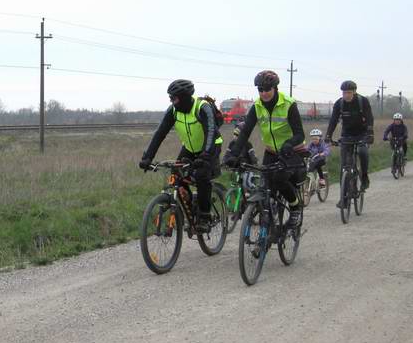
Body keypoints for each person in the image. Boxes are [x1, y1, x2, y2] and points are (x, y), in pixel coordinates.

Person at [223, 70, 306, 227]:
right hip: (271, 151)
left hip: (292, 150)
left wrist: (289, 144)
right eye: (260, 89)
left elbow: (300, 134)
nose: (264, 93)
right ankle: (268, 224)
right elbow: (245, 131)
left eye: (267, 89)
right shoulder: (257, 106)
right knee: (265, 186)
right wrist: (233, 155)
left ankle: (295, 208)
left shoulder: (288, 104)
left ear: (275, 88)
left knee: (280, 180)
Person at [139, 79, 224, 231]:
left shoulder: (202, 107)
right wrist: (147, 158)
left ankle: (204, 215)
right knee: (177, 174)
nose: (172, 101)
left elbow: (211, 131)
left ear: (184, 96)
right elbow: (159, 134)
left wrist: (205, 156)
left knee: (201, 175)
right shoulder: (173, 111)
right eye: (170, 98)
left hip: (210, 147)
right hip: (190, 148)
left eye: (174, 98)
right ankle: (191, 211)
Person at [324, 80, 374, 192]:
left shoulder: (362, 101)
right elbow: (333, 121)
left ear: (354, 92)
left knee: (363, 152)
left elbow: (370, 118)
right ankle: (343, 198)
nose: (346, 95)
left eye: (349, 92)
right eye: (344, 93)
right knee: (344, 166)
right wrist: (328, 136)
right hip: (347, 134)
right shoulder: (339, 104)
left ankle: (364, 177)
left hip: (362, 133)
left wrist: (370, 134)